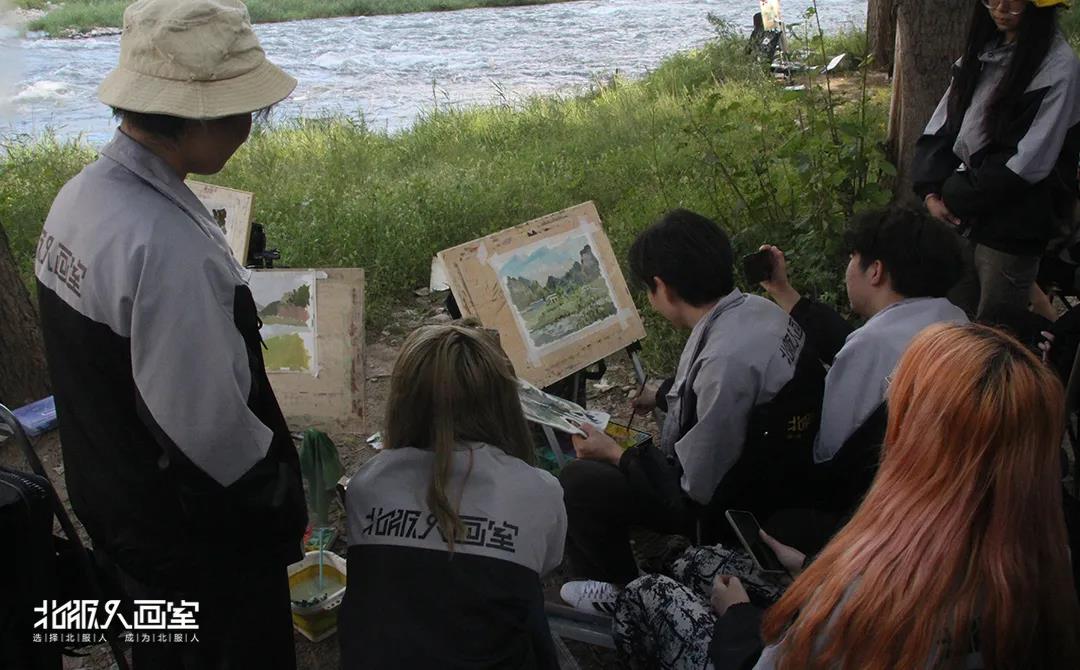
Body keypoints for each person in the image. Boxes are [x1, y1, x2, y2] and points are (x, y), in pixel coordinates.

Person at [34, 1, 306, 667]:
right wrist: (279, 504)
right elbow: (210, 435)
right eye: (244, 109)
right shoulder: (165, 247)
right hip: (194, 547)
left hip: (119, 507)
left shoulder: (82, 196)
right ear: (197, 118)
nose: (251, 124)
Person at [619, 324, 1080, 669]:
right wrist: (810, 567)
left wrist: (737, 617)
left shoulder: (875, 586)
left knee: (647, 593)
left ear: (926, 443)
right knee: (698, 562)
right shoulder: (1047, 555)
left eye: (897, 397)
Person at [558, 209, 825, 614]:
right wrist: (663, 394)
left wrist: (616, 454)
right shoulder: (759, 309)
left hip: (732, 512)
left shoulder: (722, 362)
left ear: (662, 288)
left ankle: (630, 597)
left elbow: (692, 492)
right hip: (783, 474)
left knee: (579, 481)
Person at [339, 324, 566, 669]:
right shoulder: (539, 491)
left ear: (402, 402)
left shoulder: (367, 484)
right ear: (504, 402)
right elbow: (545, 565)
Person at [760, 207, 968, 516]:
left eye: (852, 257)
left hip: (883, 509)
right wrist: (782, 290)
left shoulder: (871, 346)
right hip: (948, 493)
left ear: (875, 271)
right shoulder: (958, 321)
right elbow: (843, 338)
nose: (849, 267)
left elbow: (829, 452)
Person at [913, 0, 1080, 318]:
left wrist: (955, 194)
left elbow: (1026, 163)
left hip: (1011, 230)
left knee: (996, 328)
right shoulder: (981, 56)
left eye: (1014, 2)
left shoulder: (1058, 70)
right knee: (952, 320)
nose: (1001, 8)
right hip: (960, 219)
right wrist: (930, 191)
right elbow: (941, 127)